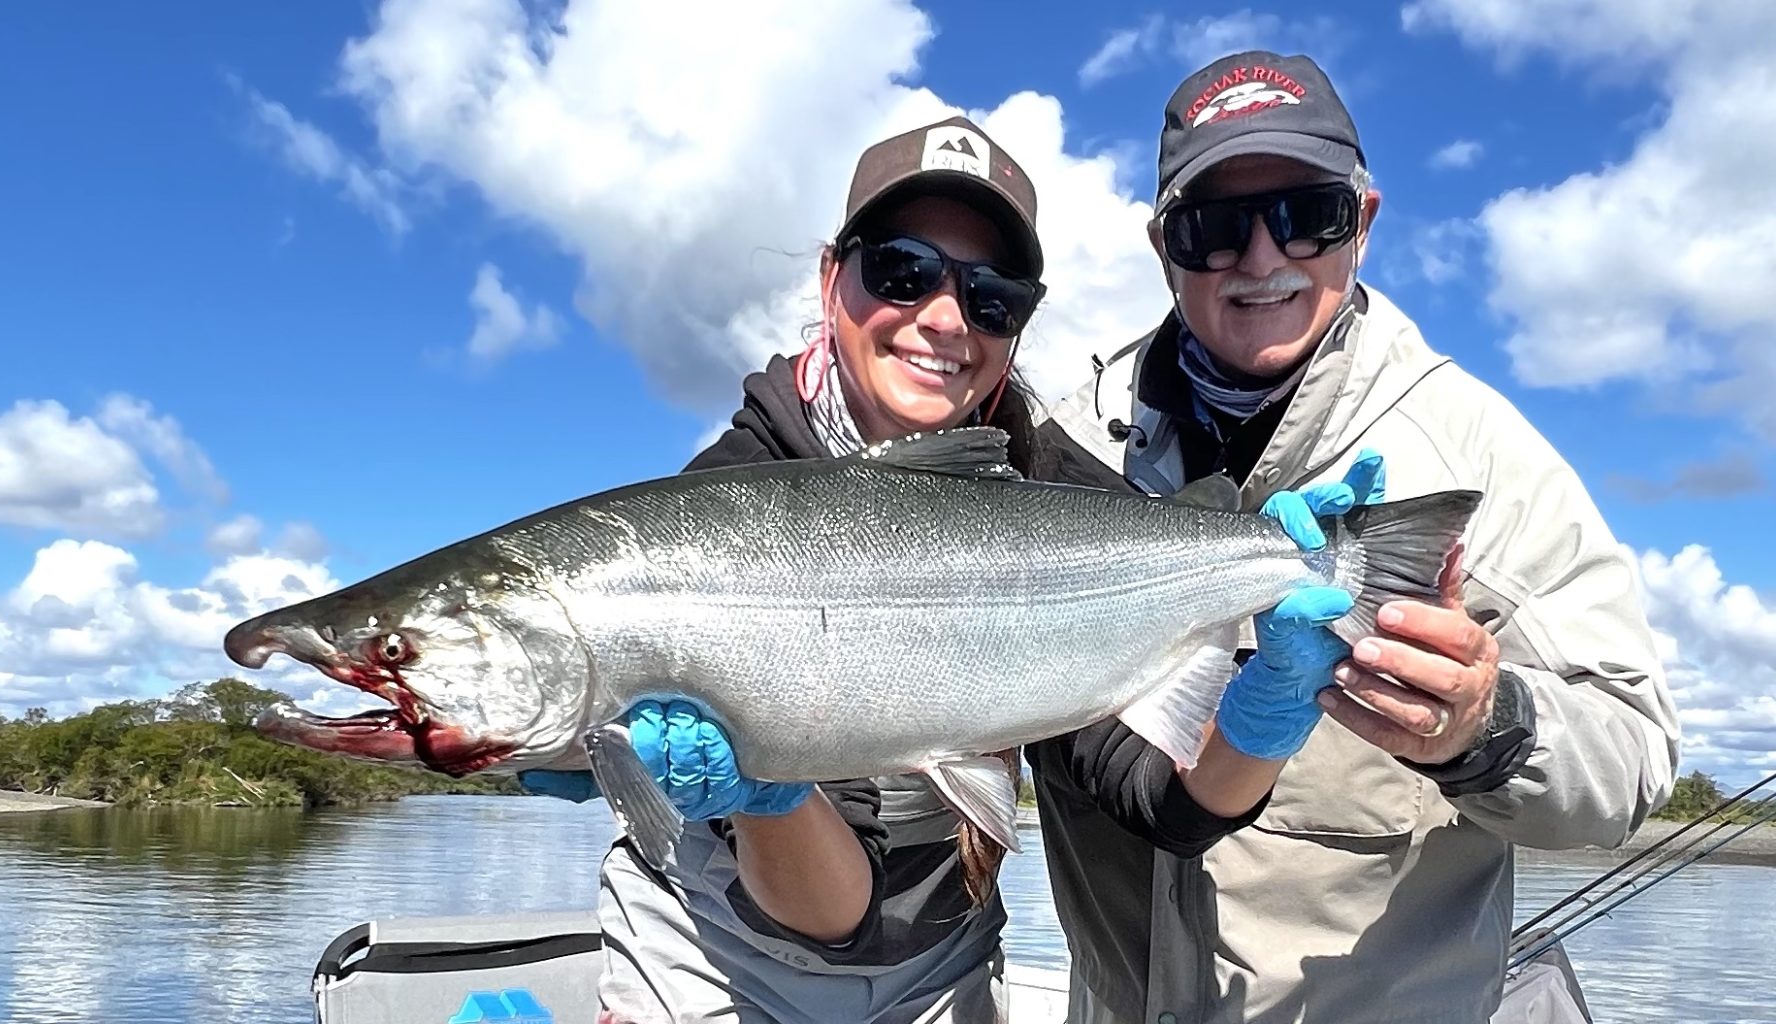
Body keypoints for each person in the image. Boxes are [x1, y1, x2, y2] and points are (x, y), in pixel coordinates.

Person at [513, 112, 1368, 1024]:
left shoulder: (1057, 487)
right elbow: (832, 916)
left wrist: (1264, 719)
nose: (946, 318)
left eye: (994, 296)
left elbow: (1163, 801)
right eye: (902, 271)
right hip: (710, 957)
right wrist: (768, 796)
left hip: (943, 968)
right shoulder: (717, 521)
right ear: (830, 276)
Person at [1023, 50, 1684, 1024]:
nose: (1260, 257)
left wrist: (1477, 725)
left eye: (1304, 214)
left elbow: (1627, 755)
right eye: (1214, 227)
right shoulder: (1069, 442)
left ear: (1362, 221)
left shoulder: (1476, 456)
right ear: (1163, 246)